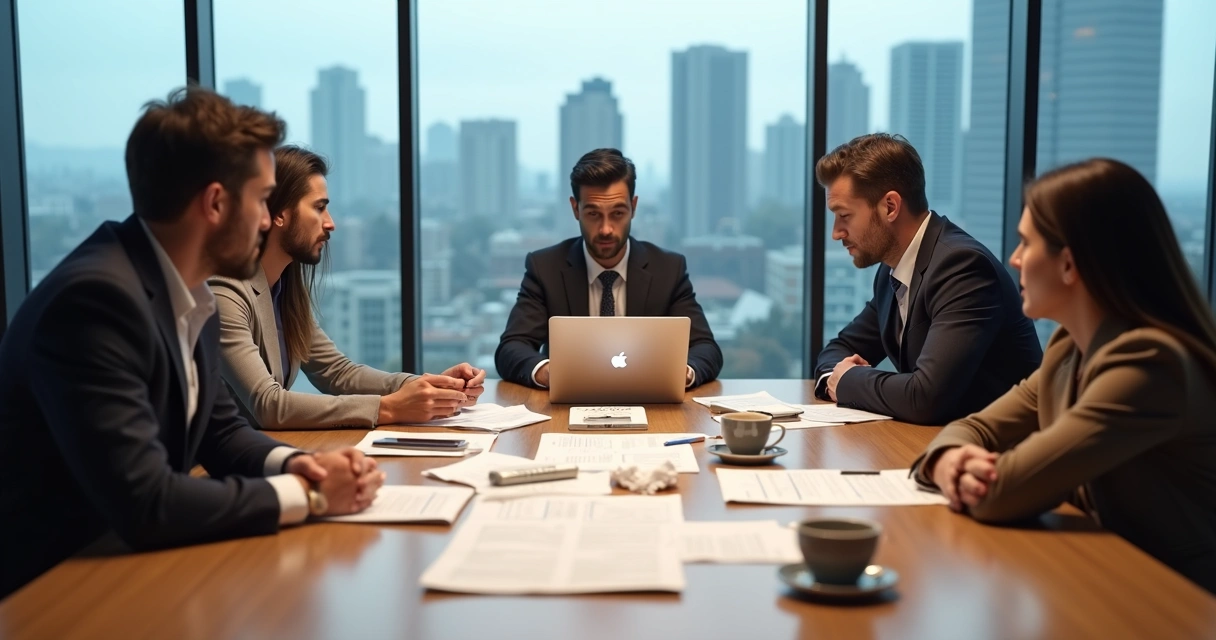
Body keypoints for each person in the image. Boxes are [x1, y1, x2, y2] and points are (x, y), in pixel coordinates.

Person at [0, 88, 384, 598]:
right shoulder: (94, 303)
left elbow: (221, 432)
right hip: (61, 591)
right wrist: (309, 496)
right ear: (216, 203)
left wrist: (299, 464)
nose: (269, 221)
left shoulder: (187, 287)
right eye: (261, 201)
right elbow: (146, 503)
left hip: (137, 568)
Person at [913, 158, 1216, 594]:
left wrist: (959, 469)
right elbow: (975, 427)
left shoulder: (1150, 364)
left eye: (1025, 243)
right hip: (1098, 577)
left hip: (1169, 603)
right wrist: (947, 461)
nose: (1014, 260)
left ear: (1069, 265)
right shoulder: (1068, 348)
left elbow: (1006, 492)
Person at [210, 146, 483, 430]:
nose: (330, 223)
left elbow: (336, 373)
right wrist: (388, 408)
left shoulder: (284, 286)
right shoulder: (225, 292)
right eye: (318, 207)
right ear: (278, 214)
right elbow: (268, 405)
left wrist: (430, 386)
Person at [813, 133, 1042, 424]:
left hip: (999, 454)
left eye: (844, 215)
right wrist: (838, 377)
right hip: (941, 442)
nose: (836, 233)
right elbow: (839, 349)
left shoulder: (962, 267)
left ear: (890, 207)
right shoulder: (892, 270)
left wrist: (848, 381)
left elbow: (925, 398)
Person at [496, 148, 723, 388]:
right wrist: (549, 371)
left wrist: (683, 373)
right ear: (575, 209)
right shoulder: (545, 268)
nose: (606, 229)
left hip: (651, 404)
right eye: (594, 214)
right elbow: (511, 348)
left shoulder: (668, 269)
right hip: (568, 406)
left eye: (617, 213)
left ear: (633, 207)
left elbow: (706, 348)